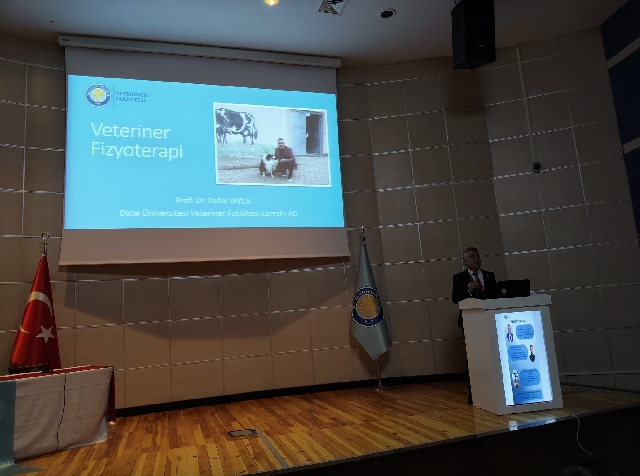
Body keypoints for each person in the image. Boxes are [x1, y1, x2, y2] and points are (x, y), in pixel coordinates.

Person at [451, 247, 499, 405]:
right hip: (470, 323)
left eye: (477, 255)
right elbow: (455, 298)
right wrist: (468, 291)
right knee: (473, 357)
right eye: (472, 256)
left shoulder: (489, 275)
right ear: (465, 262)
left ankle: (494, 390)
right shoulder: (459, 277)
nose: (476, 258)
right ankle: (474, 393)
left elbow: (496, 296)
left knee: (491, 354)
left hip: (489, 320)